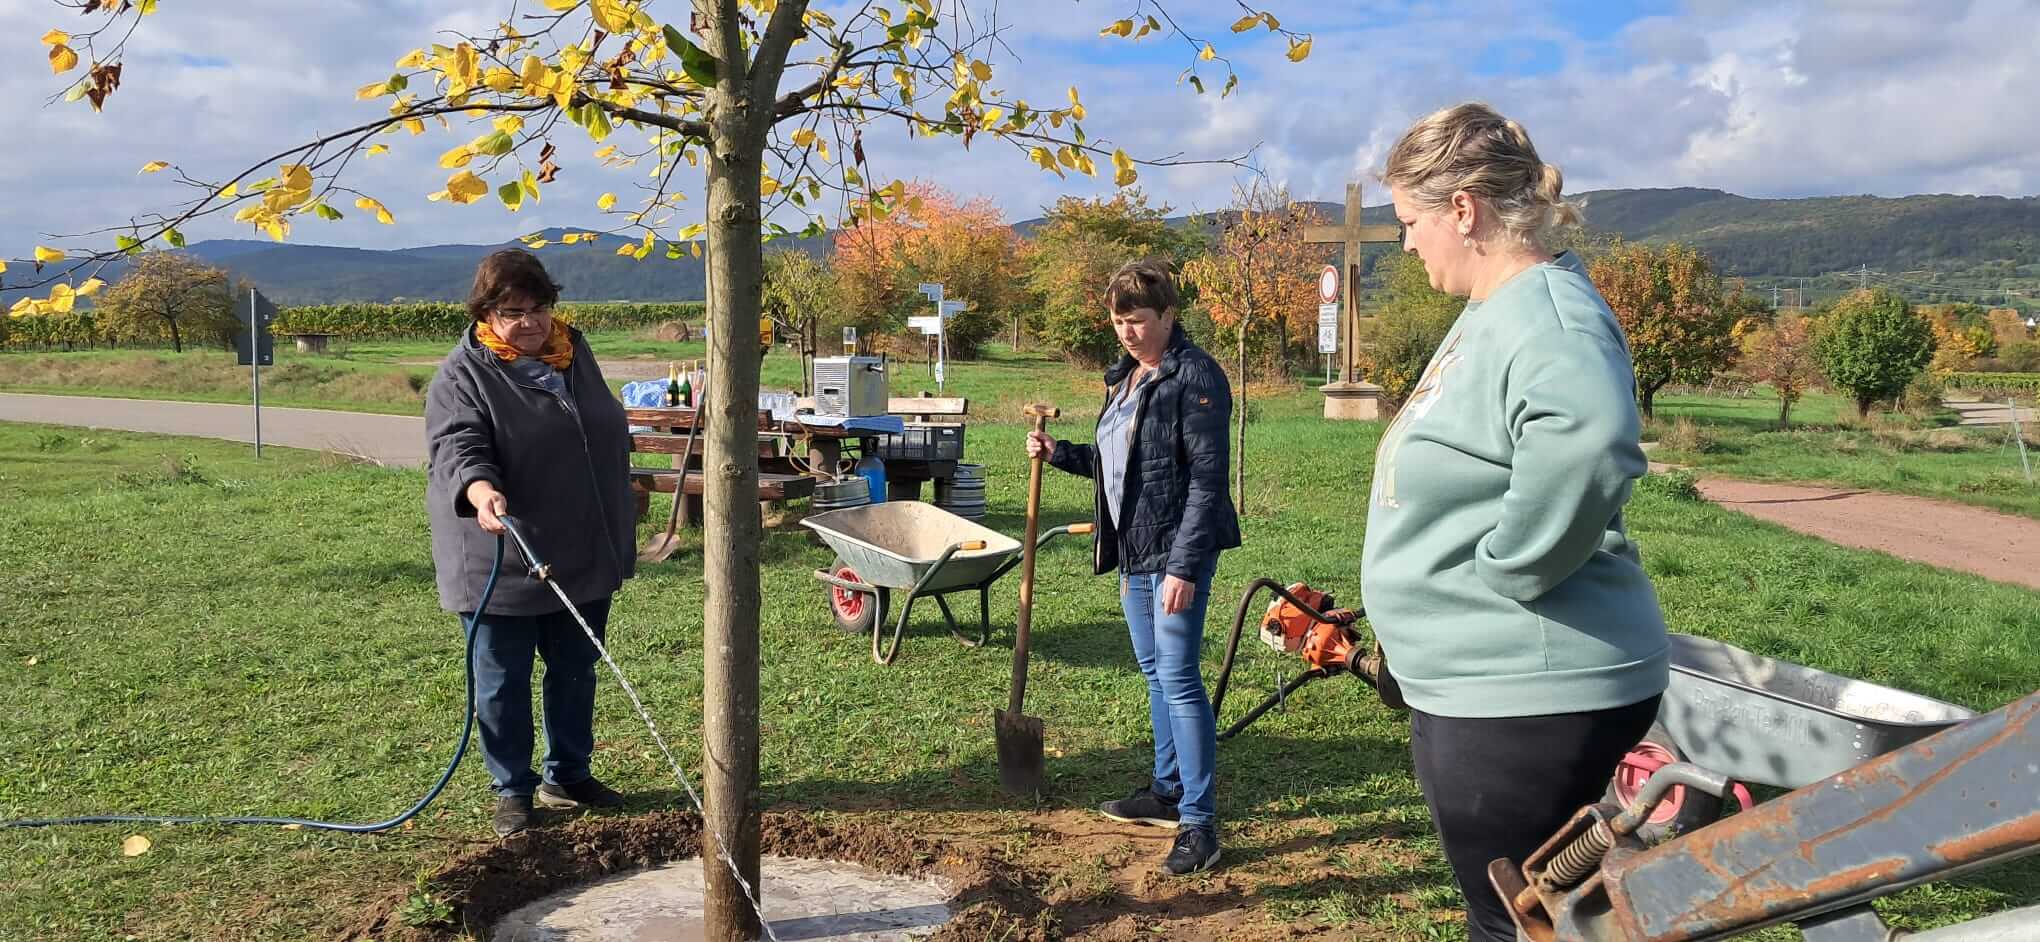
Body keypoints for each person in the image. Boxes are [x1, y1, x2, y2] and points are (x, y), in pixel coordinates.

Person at [1360, 102, 1672, 942]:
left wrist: (1507, 569)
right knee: (1524, 915)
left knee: (1513, 925)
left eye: (1411, 223)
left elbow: (1593, 447)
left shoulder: (1548, 315)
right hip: (1490, 686)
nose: (1409, 242)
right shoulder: (1494, 311)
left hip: (1524, 689)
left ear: (1463, 210)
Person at [1025, 259, 1242, 876]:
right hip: (1134, 550)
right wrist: (1060, 453)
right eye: (1118, 321)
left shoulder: (1194, 377)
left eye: (1138, 321)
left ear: (1169, 315)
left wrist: (1185, 567)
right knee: (1154, 674)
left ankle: (1200, 824)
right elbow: (1119, 463)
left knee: (1178, 678)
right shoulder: (1125, 378)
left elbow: (1206, 481)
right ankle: (1167, 791)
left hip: (1176, 553)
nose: (1127, 332)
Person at [425, 249, 638, 838]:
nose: (531, 322)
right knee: (503, 679)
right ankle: (513, 790)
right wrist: (481, 489)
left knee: (576, 668)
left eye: (539, 307)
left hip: (580, 546)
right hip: (501, 550)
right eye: (513, 310)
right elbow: (457, 445)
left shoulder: (574, 353)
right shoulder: (462, 375)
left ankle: (568, 773)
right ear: (486, 313)